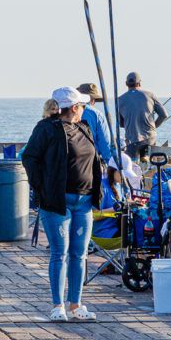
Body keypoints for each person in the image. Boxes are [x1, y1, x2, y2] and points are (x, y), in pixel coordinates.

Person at [22, 86, 103, 322]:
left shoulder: (84, 128)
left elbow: (93, 159)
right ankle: (57, 305)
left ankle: (76, 304)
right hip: (57, 202)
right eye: (82, 105)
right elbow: (29, 158)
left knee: (79, 254)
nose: (84, 109)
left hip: (84, 200)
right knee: (60, 253)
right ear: (74, 108)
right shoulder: (46, 128)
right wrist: (42, 188)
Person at [116, 72, 167, 164]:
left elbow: (120, 123)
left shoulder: (120, 100)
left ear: (126, 84)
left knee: (133, 165)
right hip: (149, 139)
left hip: (132, 141)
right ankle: (145, 156)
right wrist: (153, 126)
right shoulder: (150, 95)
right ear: (139, 83)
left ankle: (140, 165)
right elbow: (164, 115)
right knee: (147, 160)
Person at [77, 82, 114, 165]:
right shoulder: (96, 115)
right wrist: (110, 164)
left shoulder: (68, 112)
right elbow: (105, 144)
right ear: (92, 100)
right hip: (91, 160)